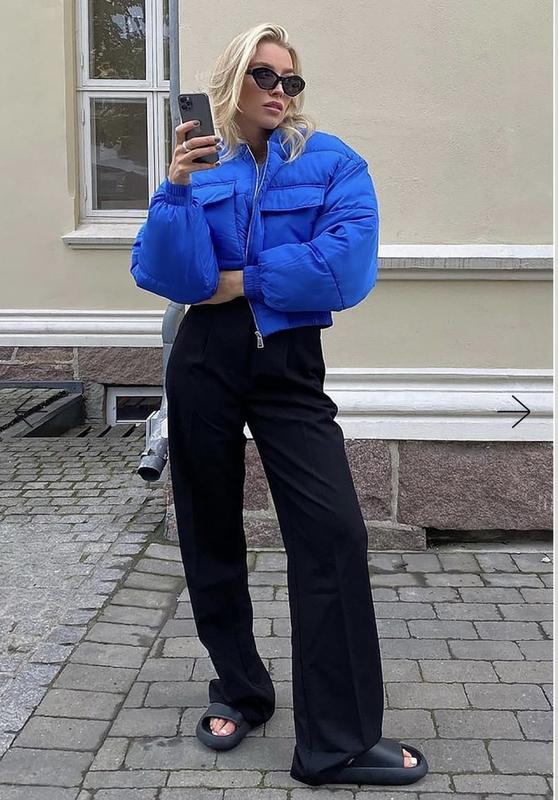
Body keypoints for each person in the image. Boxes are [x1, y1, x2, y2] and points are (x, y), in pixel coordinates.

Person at [130, 22, 428, 789]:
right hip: (205, 356)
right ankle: (240, 690)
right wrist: (176, 190)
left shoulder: (332, 162)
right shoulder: (200, 165)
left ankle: (337, 742)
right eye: (264, 75)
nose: (279, 91)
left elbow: (347, 264)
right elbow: (170, 276)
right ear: (233, 79)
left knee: (332, 531)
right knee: (208, 526)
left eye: (290, 80)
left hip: (289, 357)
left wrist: (245, 280)